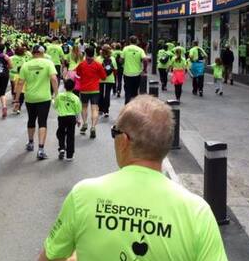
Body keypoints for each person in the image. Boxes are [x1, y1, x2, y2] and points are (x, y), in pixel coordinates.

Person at [39, 96, 227, 261]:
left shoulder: (83, 195)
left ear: (123, 141)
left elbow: (49, 257)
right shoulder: (197, 212)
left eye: (114, 132)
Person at [14, 45, 58, 160]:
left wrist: (17, 99)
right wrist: (56, 94)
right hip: (44, 98)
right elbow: (54, 79)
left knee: (31, 119)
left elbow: (20, 83)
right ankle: (41, 149)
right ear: (42, 53)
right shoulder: (48, 63)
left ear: (33, 53)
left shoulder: (26, 65)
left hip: (30, 97)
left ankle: (30, 142)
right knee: (42, 122)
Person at [75, 47, 107, 139]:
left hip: (84, 90)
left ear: (86, 54)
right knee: (94, 109)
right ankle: (93, 127)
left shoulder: (81, 64)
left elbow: (78, 74)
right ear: (94, 54)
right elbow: (104, 77)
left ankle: (85, 123)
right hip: (95, 90)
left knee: (84, 107)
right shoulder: (98, 65)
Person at [53, 78, 82, 161]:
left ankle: (62, 148)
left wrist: (53, 101)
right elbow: (78, 111)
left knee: (60, 133)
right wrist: (78, 120)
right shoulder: (76, 98)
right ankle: (69, 155)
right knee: (70, 136)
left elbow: (55, 106)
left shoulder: (59, 96)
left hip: (61, 117)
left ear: (64, 87)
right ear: (73, 87)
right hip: (71, 118)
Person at [122, 35, 146, 103]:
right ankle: (134, 105)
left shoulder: (125, 49)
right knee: (135, 92)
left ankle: (127, 105)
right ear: (137, 41)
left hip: (127, 73)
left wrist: (123, 62)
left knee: (127, 91)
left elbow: (121, 59)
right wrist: (144, 69)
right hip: (137, 74)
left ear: (129, 41)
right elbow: (145, 59)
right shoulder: (140, 50)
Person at [96, 45, 117, 118]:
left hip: (100, 79)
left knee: (100, 94)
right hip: (110, 79)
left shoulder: (98, 59)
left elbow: (96, 70)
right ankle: (106, 111)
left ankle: (100, 109)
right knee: (107, 94)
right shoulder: (112, 59)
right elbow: (115, 69)